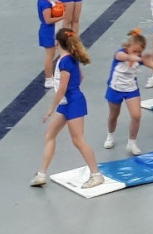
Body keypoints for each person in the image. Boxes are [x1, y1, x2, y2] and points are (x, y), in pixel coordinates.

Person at [30, 29, 103, 190]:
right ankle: (41, 174)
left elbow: (62, 88)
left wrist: (51, 108)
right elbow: (81, 77)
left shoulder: (63, 62)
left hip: (72, 103)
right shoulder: (70, 58)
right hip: (68, 103)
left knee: (78, 140)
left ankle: (96, 175)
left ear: (57, 43)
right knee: (50, 135)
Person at [103, 30, 153, 155]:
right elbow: (126, 57)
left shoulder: (139, 58)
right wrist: (139, 58)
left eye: (139, 52)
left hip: (131, 89)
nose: (137, 53)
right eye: (134, 50)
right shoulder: (120, 54)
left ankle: (132, 142)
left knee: (136, 116)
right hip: (115, 89)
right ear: (127, 47)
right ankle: (110, 136)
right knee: (114, 115)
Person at [32, 0, 65, 86]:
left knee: (52, 55)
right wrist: (62, 16)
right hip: (49, 32)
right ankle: (48, 79)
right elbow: (48, 20)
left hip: (52, 30)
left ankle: (53, 76)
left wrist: (58, 5)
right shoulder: (45, 4)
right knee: (50, 57)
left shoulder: (46, 0)